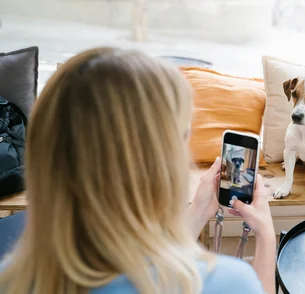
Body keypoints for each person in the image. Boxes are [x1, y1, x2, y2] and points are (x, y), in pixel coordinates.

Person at [0, 48, 276, 294]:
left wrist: (200, 210)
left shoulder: (13, 275)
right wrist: (266, 236)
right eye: (183, 138)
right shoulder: (224, 282)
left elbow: (136, 254)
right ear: (158, 163)